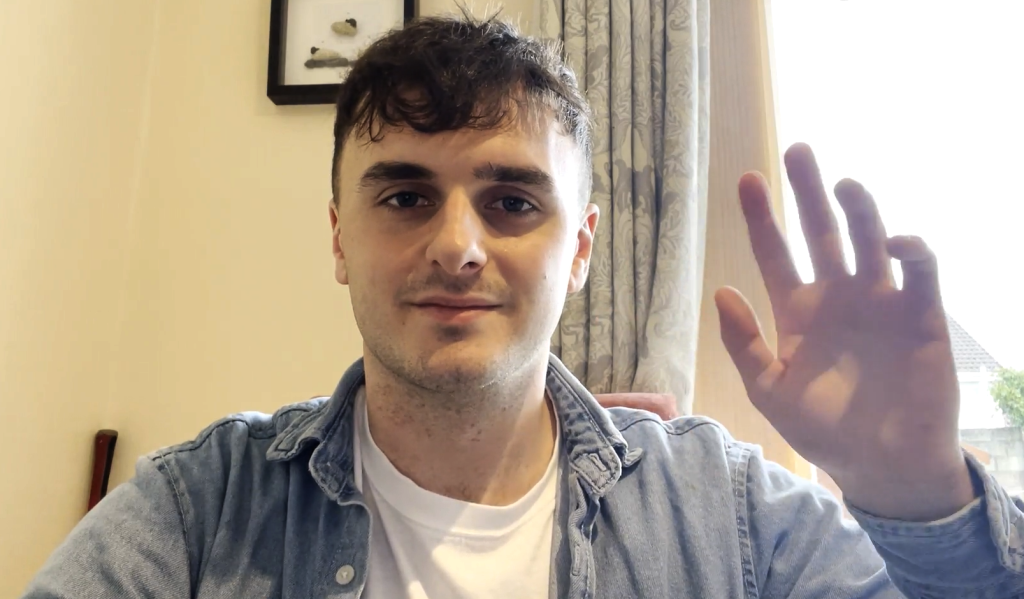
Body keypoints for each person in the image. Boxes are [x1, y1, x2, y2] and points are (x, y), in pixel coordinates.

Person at [22, 13, 1024, 599]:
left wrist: (917, 496)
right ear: (338, 237)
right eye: (405, 196)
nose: (458, 245)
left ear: (580, 248)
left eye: (510, 202)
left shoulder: (726, 512)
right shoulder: (201, 507)